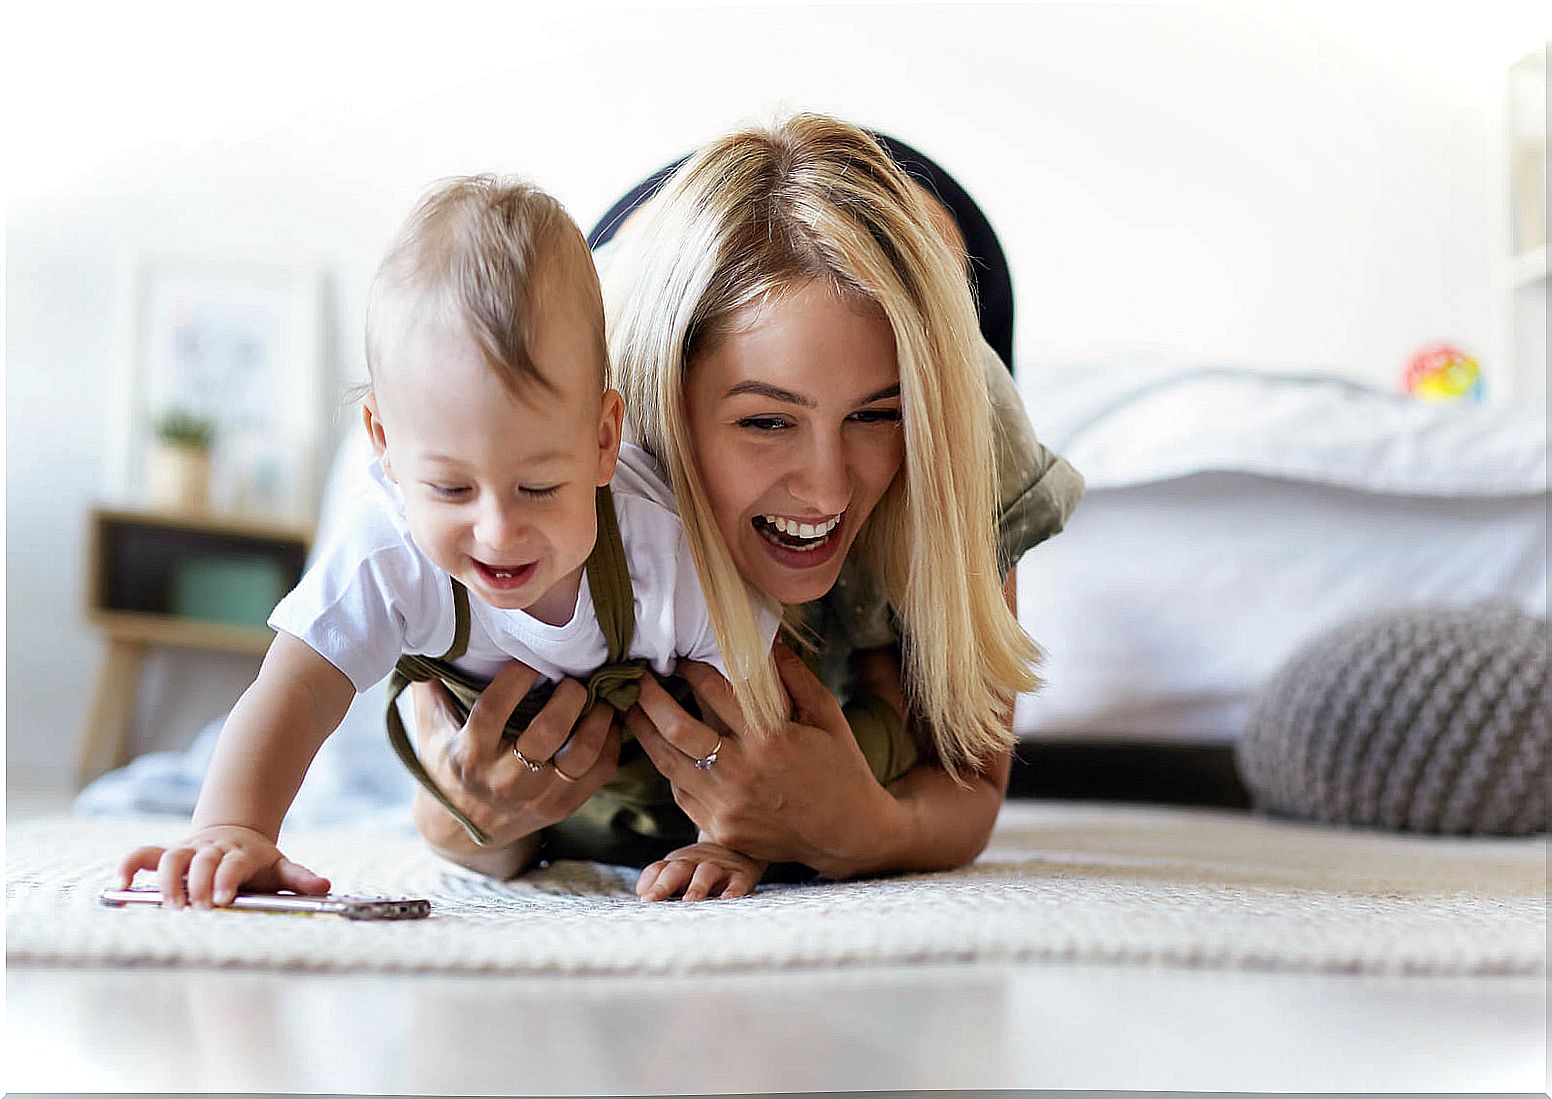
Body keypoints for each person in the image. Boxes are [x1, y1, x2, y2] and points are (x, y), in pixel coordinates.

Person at [409, 114, 1086, 899]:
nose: (828, 490)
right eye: (768, 421)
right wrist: (466, 819)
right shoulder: (555, 431)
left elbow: (967, 783)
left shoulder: (963, 410)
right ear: (647, 413)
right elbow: (445, 798)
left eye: (875, 414)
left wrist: (868, 832)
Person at [116, 174, 779, 909]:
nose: (498, 531)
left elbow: (754, 695)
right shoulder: (386, 549)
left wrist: (733, 838)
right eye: (452, 490)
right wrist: (233, 826)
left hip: (645, 758)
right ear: (385, 448)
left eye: (538, 487)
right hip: (485, 771)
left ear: (602, 440)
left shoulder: (661, 550)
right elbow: (296, 689)